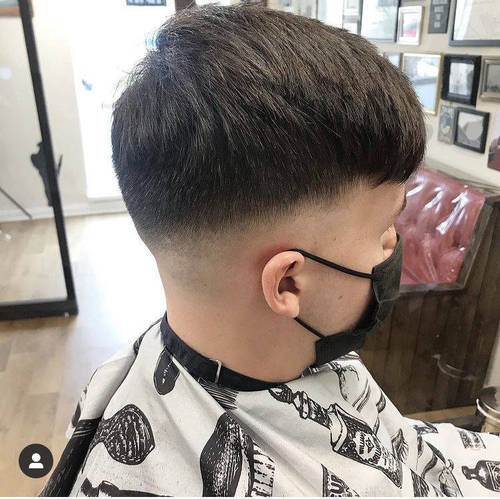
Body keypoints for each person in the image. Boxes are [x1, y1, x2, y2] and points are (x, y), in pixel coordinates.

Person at [40, 4, 500, 497]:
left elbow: (406, 449)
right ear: (288, 283)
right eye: (385, 226)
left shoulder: (305, 351)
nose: (392, 243)